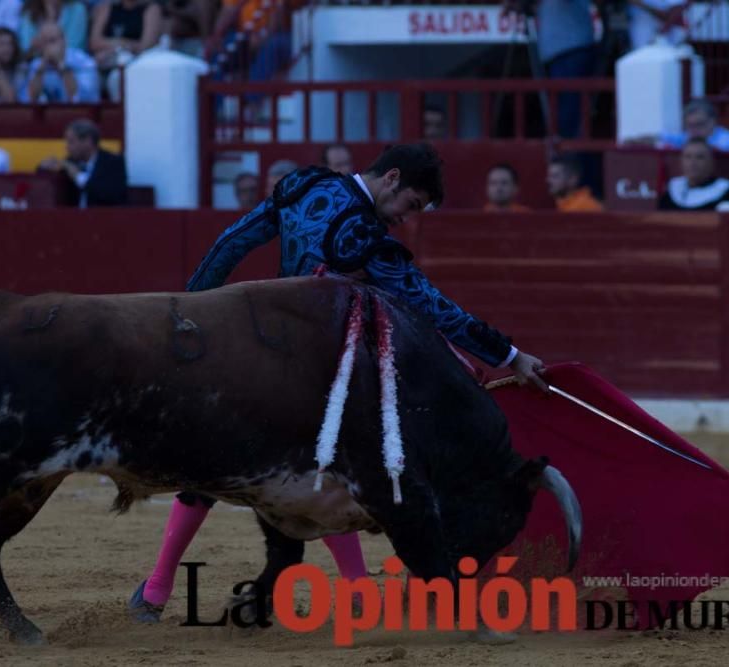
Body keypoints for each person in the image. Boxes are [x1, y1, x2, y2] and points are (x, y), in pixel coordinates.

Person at [127, 142, 549, 621]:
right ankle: (354, 587)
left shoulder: (305, 184)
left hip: (259, 344)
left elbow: (233, 242)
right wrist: (508, 355)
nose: (404, 218)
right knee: (338, 464)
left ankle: (157, 589)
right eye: (410, 204)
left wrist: (191, 310)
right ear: (391, 178)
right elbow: (430, 304)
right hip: (316, 366)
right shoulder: (365, 235)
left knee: (211, 464)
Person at [535, 0, 598, 138]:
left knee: (570, 114)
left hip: (572, 49)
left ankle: (571, 154)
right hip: (556, 52)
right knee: (560, 111)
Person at [38, 119, 128, 207]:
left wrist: (78, 176)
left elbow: (109, 195)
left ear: (88, 141)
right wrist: (44, 168)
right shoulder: (70, 161)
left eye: (71, 142)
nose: (67, 147)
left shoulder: (113, 163)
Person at [658, 138, 729, 211]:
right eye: (688, 157)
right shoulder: (672, 191)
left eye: (700, 157)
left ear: (711, 162)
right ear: (681, 161)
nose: (692, 163)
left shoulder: (727, 192)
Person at [23, 22, 99, 103]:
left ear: (64, 40)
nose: (49, 46)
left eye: (52, 41)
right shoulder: (36, 65)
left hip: (81, 113)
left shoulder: (84, 62)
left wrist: (61, 64)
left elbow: (79, 98)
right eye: (44, 42)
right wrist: (42, 67)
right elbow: (31, 99)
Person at [658, 98, 729, 152]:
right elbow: (659, 138)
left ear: (713, 122)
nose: (694, 130)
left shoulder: (728, 140)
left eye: (699, 124)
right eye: (690, 125)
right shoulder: (686, 136)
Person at [18, 0, 87, 57]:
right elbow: (26, 46)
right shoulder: (30, 14)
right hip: (37, 64)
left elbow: (74, 44)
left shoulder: (77, 9)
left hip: (72, 63)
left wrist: (41, 45)